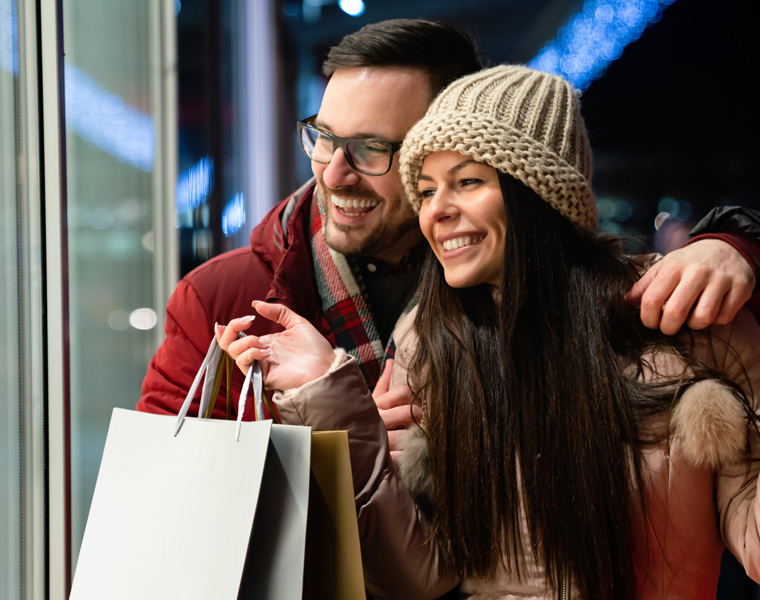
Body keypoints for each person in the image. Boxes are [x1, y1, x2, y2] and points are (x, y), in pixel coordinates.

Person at [220, 66, 760, 599]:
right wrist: (325, 390)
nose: (438, 212)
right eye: (427, 191)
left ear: (538, 195)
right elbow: (418, 576)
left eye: (468, 182)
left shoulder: (673, 315)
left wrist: (744, 247)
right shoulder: (427, 338)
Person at [136, 19, 759, 454]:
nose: (334, 171)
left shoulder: (505, 268)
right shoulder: (221, 298)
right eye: (323, 136)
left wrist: (736, 247)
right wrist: (330, 438)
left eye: (373, 148)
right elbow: (171, 485)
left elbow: (609, 282)